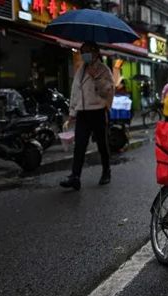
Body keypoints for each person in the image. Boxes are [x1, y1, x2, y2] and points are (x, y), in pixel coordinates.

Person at [60, 42, 114, 190]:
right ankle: (75, 177)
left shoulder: (104, 70)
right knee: (80, 146)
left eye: (87, 51)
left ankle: (106, 171)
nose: (84, 54)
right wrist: (72, 112)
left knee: (102, 144)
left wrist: (96, 77)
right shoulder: (81, 70)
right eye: (82, 51)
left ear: (96, 52)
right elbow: (75, 92)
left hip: (97, 111)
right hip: (82, 113)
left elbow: (107, 91)